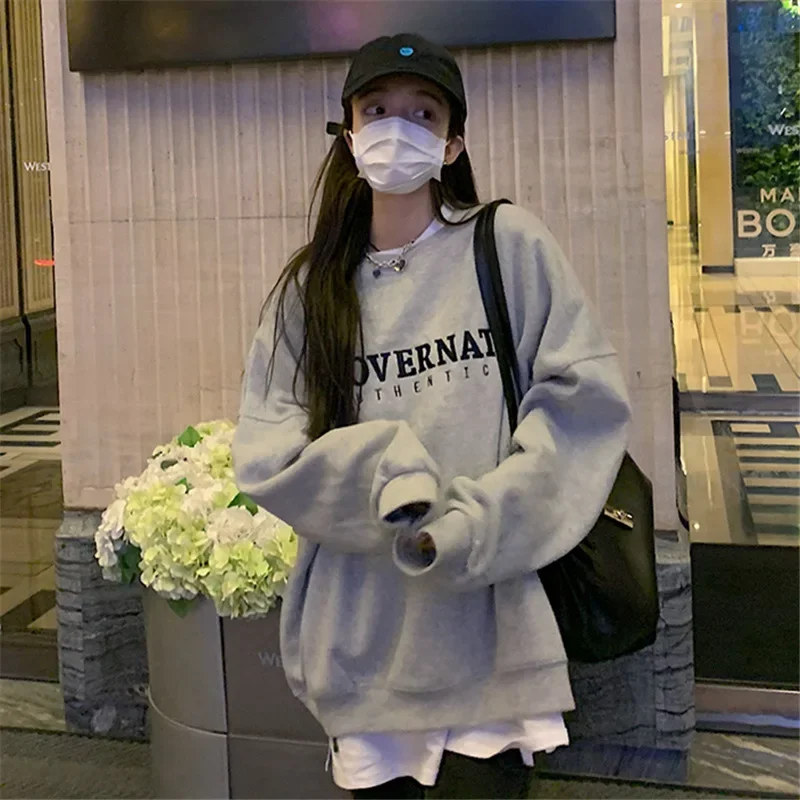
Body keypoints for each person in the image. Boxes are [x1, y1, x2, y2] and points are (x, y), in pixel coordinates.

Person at [233, 32, 631, 800]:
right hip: (362, 647)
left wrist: (471, 525)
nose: (397, 129)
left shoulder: (505, 244)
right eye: (376, 110)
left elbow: (581, 404)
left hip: (489, 637)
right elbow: (267, 451)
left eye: (423, 113)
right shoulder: (311, 289)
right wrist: (389, 473)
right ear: (348, 134)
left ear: (452, 143)